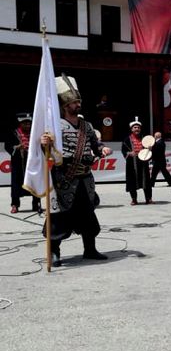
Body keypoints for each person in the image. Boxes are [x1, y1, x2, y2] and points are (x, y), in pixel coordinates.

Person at [40, 74, 112, 267]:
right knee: (58, 219)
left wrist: (102, 148)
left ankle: (90, 249)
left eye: (78, 101)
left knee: (88, 217)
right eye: (74, 102)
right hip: (64, 179)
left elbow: (95, 144)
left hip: (84, 180)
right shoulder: (55, 126)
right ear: (66, 105)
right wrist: (44, 143)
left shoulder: (86, 125)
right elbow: (47, 152)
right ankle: (54, 253)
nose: (78, 104)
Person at [5, 112, 40, 213]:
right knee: (16, 183)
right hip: (18, 163)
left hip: (32, 163)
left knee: (34, 183)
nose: (28, 125)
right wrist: (16, 147)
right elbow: (8, 146)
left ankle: (36, 203)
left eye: (29, 123)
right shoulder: (14, 133)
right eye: (25, 123)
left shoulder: (34, 134)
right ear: (20, 123)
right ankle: (15, 204)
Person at [121, 117, 152, 205]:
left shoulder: (145, 139)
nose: (137, 129)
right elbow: (123, 150)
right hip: (132, 163)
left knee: (146, 180)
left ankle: (148, 198)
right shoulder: (127, 139)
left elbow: (149, 149)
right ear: (131, 129)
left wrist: (150, 148)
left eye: (138, 127)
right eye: (135, 127)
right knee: (132, 181)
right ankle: (134, 199)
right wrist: (129, 153)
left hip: (143, 162)